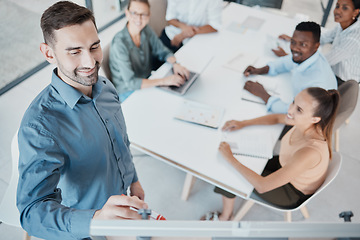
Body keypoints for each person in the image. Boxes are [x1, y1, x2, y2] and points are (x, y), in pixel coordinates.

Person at [16, 2, 147, 239]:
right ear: (49, 54)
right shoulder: (40, 125)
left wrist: (133, 180)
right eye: (74, 51)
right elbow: (31, 211)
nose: (89, 62)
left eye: (94, 46)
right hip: (82, 228)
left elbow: (120, 142)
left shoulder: (105, 87)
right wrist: (95, 220)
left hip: (122, 206)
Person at [206, 87, 339, 221]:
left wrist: (230, 158)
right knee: (238, 165)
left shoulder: (310, 152)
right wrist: (244, 123)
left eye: (299, 110)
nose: (290, 110)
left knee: (231, 174)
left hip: (292, 192)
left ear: (315, 119)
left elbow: (262, 186)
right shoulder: (304, 122)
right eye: (293, 102)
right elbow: (276, 118)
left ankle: (226, 217)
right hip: (285, 165)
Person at [243, 21, 337, 114]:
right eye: (293, 42)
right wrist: (258, 70)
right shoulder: (308, 55)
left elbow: (293, 111)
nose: (295, 48)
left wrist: (262, 94)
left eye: (303, 44)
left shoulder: (317, 85)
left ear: (316, 46)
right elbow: (284, 62)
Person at [110, 0, 189, 102]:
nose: (139, 18)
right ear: (127, 14)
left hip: (147, 82)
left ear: (149, 16)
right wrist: (164, 81)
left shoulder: (146, 30)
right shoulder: (119, 43)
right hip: (128, 93)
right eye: (134, 13)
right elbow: (131, 83)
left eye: (143, 14)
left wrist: (175, 64)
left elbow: (163, 51)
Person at [272, 0, 360, 86]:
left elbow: (324, 61)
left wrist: (289, 56)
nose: (337, 11)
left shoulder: (353, 38)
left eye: (345, 8)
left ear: (355, 12)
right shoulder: (344, 24)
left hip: (342, 80)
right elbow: (323, 38)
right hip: (332, 69)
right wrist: (297, 40)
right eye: (337, 6)